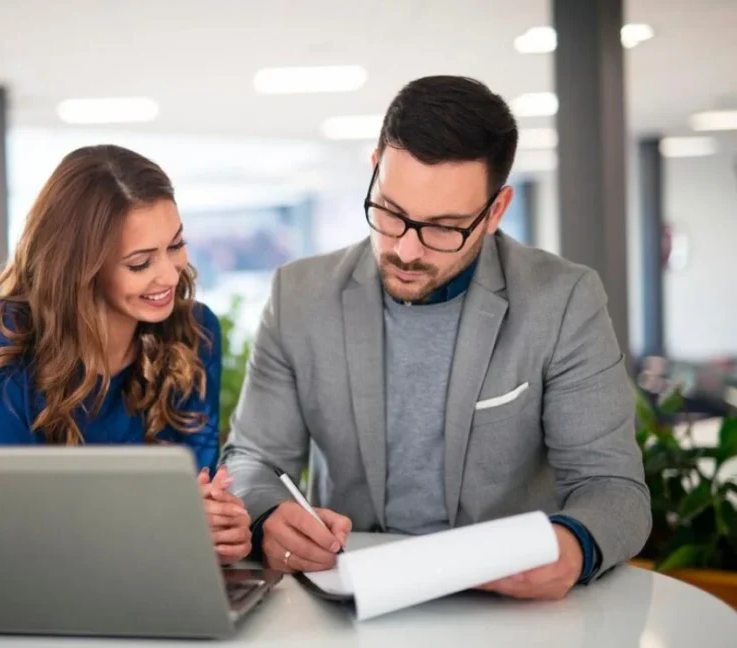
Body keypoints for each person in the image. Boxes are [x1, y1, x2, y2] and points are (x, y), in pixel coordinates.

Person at [222, 76, 651, 600]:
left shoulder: (563, 301)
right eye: (391, 213)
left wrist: (573, 544)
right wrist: (268, 515)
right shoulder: (299, 295)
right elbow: (251, 460)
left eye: (443, 228)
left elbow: (614, 488)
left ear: (495, 211)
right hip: (348, 600)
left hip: (506, 609)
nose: (405, 249)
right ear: (375, 166)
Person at [0, 144, 251, 563]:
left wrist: (220, 528)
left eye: (176, 245)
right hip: (45, 594)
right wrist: (165, 523)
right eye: (139, 263)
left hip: (161, 580)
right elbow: (4, 522)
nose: (169, 275)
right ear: (80, 267)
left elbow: (194, 493)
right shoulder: (5, 344)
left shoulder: (196, 332)